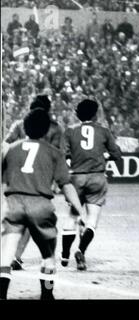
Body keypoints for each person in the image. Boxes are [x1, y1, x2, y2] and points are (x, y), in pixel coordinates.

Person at [0, 109, 84, 300]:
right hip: (41, 206)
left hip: (13, 204)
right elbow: (66, 185)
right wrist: (80, 211)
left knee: (6, 253)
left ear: (24, 127)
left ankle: (2, 294)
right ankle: (47, 294)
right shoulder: (53, 152)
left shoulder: (10, 150)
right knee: (48, 257)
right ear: (47, 130)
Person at [4, 95, 64, 271]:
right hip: (39, 182)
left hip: (16, 180)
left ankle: (12, 257)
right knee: (35, 222)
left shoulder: (19, 124)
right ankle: (44, 280)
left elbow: (5, 144)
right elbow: (57, 153)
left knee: (14, 222)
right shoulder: (54, 128)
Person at [62, 99, 121, 271]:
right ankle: (81, 251)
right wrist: (104, 158)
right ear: (95, 114)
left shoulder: (70, 131)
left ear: (77, 114)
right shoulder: (103, 131)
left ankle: (65, 254)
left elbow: (64, 155)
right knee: (92, 220)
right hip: (97, 178)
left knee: (72, 217)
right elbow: (116, 154)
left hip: (77, 178)